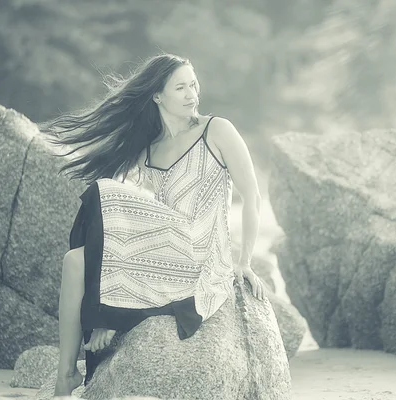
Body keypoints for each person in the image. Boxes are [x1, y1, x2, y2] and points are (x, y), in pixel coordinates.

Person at [40, 53, 265, 397]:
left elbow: (251, 195)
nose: (193, 93)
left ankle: (105, 313)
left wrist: (244, 260)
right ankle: (66, 375)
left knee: (105, 192)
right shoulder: (148, 149)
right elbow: (132, 219)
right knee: (74, 261)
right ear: (157, 96)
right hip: (164, 250)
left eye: (194, 84)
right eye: (181, 87)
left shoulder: (216, 129)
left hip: (201, 254)